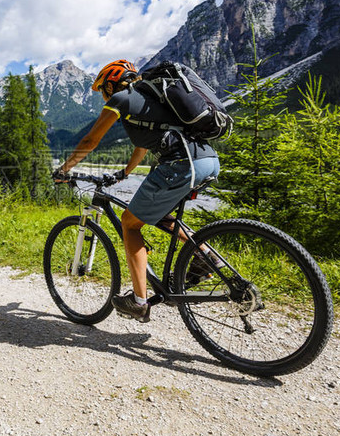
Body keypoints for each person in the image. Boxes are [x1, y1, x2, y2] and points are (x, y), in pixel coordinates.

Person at [52, 59, 220, 322]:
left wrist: (64, 169)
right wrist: (125, 173)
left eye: (103, 90)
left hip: (181, 164)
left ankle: (139, 301)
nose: (104, 97)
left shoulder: (121, 98)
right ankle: (206, 256)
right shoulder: (153, 100)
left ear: (111, 83)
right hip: (208, 161)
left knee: (130, 223)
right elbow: (142, 146)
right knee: (163, 217)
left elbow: (90, 140)